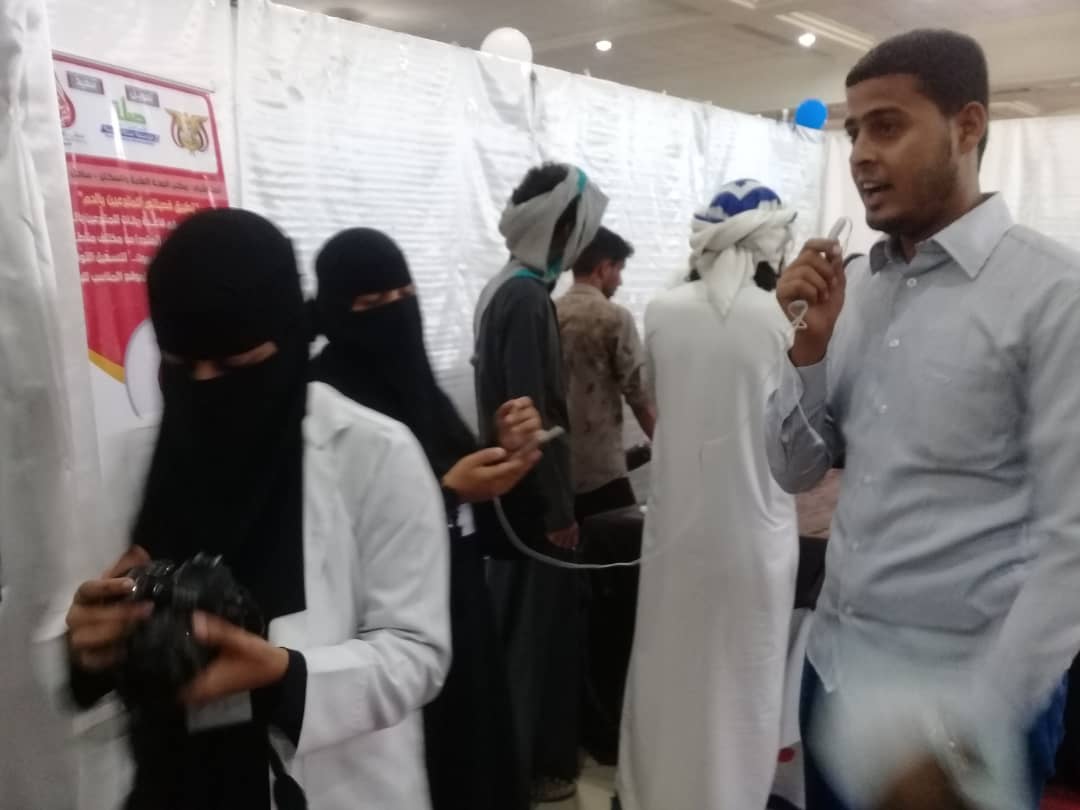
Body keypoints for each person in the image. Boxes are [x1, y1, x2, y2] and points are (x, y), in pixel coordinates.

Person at [766, 29, 1080, 810]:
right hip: (835, 674)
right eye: (853, 132)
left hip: (959, 705)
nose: (860, 156)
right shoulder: (861, 293)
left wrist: (972, 730)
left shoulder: (1052, 295)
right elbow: (796, 470)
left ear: (967, 127)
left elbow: (1072, 543)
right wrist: (806, 349)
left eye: (887, 126)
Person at [63, 208, 451, 810]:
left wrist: (284, 679)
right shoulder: (138, 464)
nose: (205, 387)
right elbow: (92, 624)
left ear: (290, 341)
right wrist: (87, 654)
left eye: (237, 365)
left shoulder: (374, 454)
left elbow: (416, 653)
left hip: (329, 786)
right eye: (180, 366)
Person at [309, 226, 542, 810]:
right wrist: (445, 491)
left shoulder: (421, 392)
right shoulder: (324, 406)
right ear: (337, 312)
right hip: (382, 644)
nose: (396, 314)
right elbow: (331, 537)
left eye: (405, 296)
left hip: (461, 620)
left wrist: (504, 456)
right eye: (372, 304)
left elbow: (485, 521)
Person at [616, 179, 799, 810]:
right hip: (755, 536)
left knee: (669, 674)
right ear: (772, 244)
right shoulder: (783, 321)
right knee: (743, 683)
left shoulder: (663, 312)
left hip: (677, 532)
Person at [473, 161, 608, 803]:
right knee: (531, 642)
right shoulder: (526, 298)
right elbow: (536, 417)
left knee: (515, 635)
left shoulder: (504, 286)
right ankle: (525, 772)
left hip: (510, 494)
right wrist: (558, 509)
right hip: (531, 500)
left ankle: (515, 762)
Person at [557, 226, 655, 521]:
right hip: (601, 470)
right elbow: (639, 397)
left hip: (559, 471)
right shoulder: (614, 318)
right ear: (603, 268)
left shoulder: (549, 312)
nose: (620, 280)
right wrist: (665, 446)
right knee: (620, 542)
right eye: (619, 270)